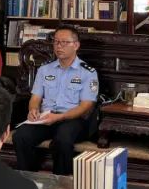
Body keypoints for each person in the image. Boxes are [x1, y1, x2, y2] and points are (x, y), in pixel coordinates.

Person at [13, 27, 98, 175]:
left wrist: (60, 117)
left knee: (62, 140)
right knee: (21, 136)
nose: (59, 46)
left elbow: (86, 105)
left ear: (76, 45)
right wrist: (33, 110)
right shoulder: (45, 70)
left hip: (73, 119)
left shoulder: (88, 72)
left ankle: (60, 182)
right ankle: (29, 178)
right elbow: (35, 98)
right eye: (56, 42)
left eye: (64, 42)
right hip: (46, 117)